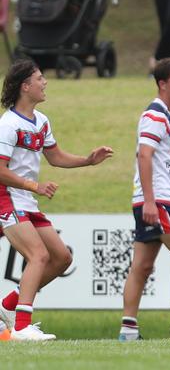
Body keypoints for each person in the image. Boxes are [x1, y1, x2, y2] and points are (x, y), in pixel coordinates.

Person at [0, 60, 113, 341]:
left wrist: (88, 160)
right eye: (39, 78)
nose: (44, 82)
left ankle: (9, 306)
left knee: (62, 258)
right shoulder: (8, 124)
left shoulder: (42, 121)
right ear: (25, 86)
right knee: (38, 255)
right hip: (8, 199)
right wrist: (33, 185)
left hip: (27, 201)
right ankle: (22, 327)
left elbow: (55, 157)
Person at [119, 58, 170, 341]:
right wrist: (150, 201)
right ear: (162, 84)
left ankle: (128, 330)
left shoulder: (166, 117)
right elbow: (145, 155)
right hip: (156, 202)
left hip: (156, 200)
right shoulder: (155, 116)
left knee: (142, 265)